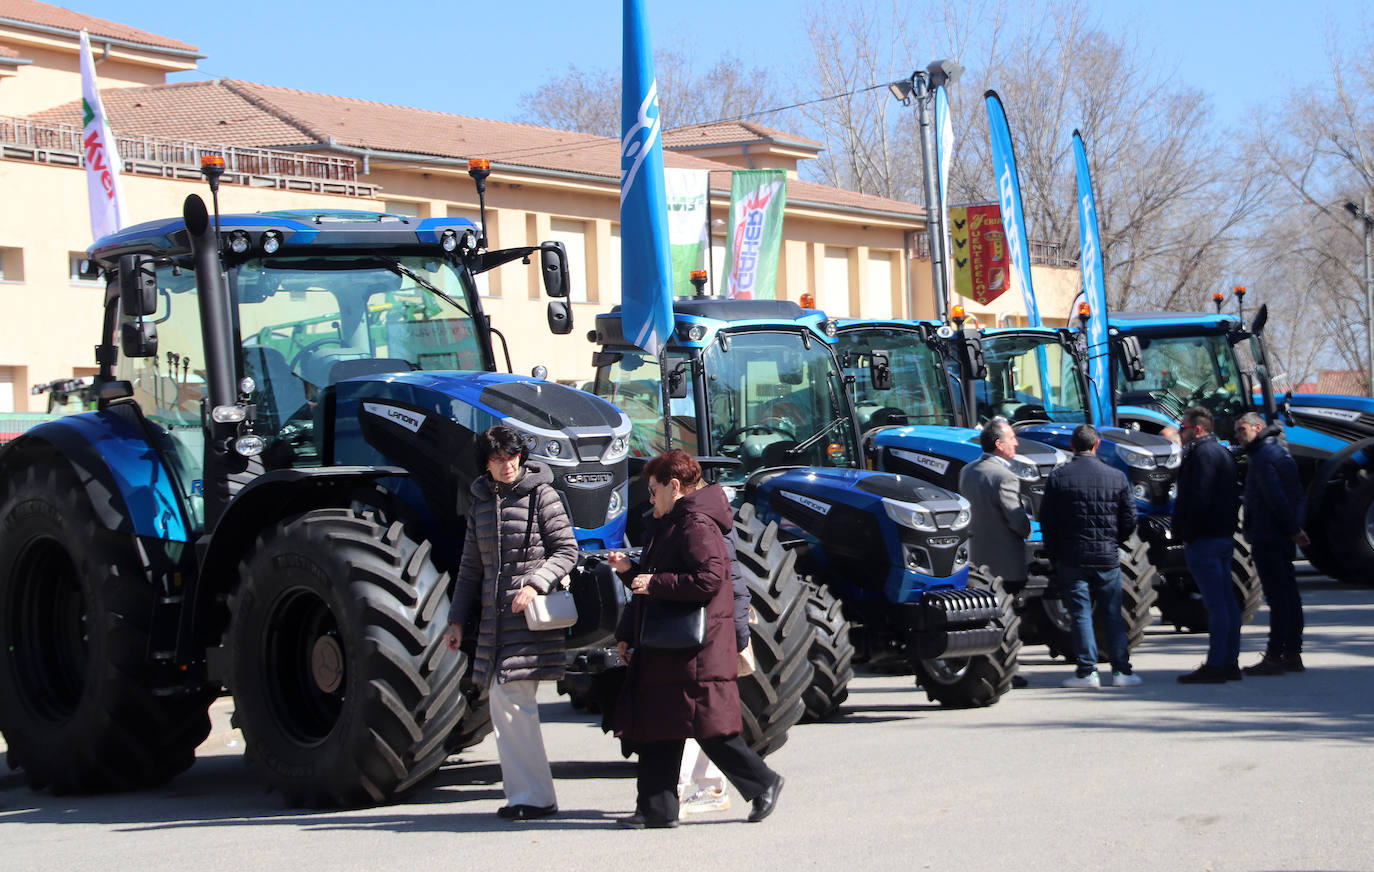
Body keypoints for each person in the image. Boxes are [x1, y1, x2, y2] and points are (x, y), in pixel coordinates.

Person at [607, 449, 783, 829]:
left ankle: (763, 782)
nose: (650, 498)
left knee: (709, 729)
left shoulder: (695, 525)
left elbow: (707, 580)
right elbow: (660, 581)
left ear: (674, 486)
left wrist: (652, 581)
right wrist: (631, 573)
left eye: (653, 490)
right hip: (670, 648)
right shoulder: (673, 522)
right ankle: (656, 809)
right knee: (659, 727)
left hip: (694, 651)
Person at [443, 426, 578, 821]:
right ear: (485, 463)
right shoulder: (481, 502)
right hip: (495, 626)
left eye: (513, 457)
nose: (507, 465)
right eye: (498, 459)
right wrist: (455, 622)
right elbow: (470, 570)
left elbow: (567, 549)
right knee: (508, 705)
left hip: (530, 621)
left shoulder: (541, 493)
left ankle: (532, 797)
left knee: (512, 702)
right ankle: (529, 795)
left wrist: (536, 584)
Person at [1040, 424, 1140, 688]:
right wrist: (1114, 540)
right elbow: (1130, 518)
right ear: (1097, 446)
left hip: (1072, 555)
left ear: (1072, 447)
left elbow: (1048, 521)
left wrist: (1055, 552)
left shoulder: (1059, 477)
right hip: (1107, 555)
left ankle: (1087, 672)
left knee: (1080, 614)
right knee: (1112, 613)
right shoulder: (1116, 476)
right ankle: (1122, 671)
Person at [1234, 412, 1310, 675]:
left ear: (1258, 427)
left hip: (1268, 535)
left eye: (1242, 430)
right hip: (1280, 534)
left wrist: (1292, 530)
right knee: (1289, 595)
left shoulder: (1263, 458)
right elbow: (1298, 495)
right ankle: (1292, 654)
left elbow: (1274, 497)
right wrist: (1296, 528)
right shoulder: (1280, 453)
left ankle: (1276, 655)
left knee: (1278, 597)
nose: (1238, 436)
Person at [1171, 406, 1242, 684]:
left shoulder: (1199, 455)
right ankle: (1230, 661)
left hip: (1205, 540)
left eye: (1184, 427)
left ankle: (1217, 665)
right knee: (1227, 602)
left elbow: (1198, 497)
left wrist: (1187, 532)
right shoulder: (1223, 453)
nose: (1180, 432)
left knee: (1217, 605)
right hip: (1222, 536)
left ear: (1197, 429)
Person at [959, 418, 1032, 687]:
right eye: (1011, 438)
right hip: (1006, 561)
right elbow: (1016, 519)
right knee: (1008, 618)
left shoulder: (968, 471)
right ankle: (1008, 669)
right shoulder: (1005, 476)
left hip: (978, 557)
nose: (1016, 443)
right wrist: (1027, 529)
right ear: (999, 444)